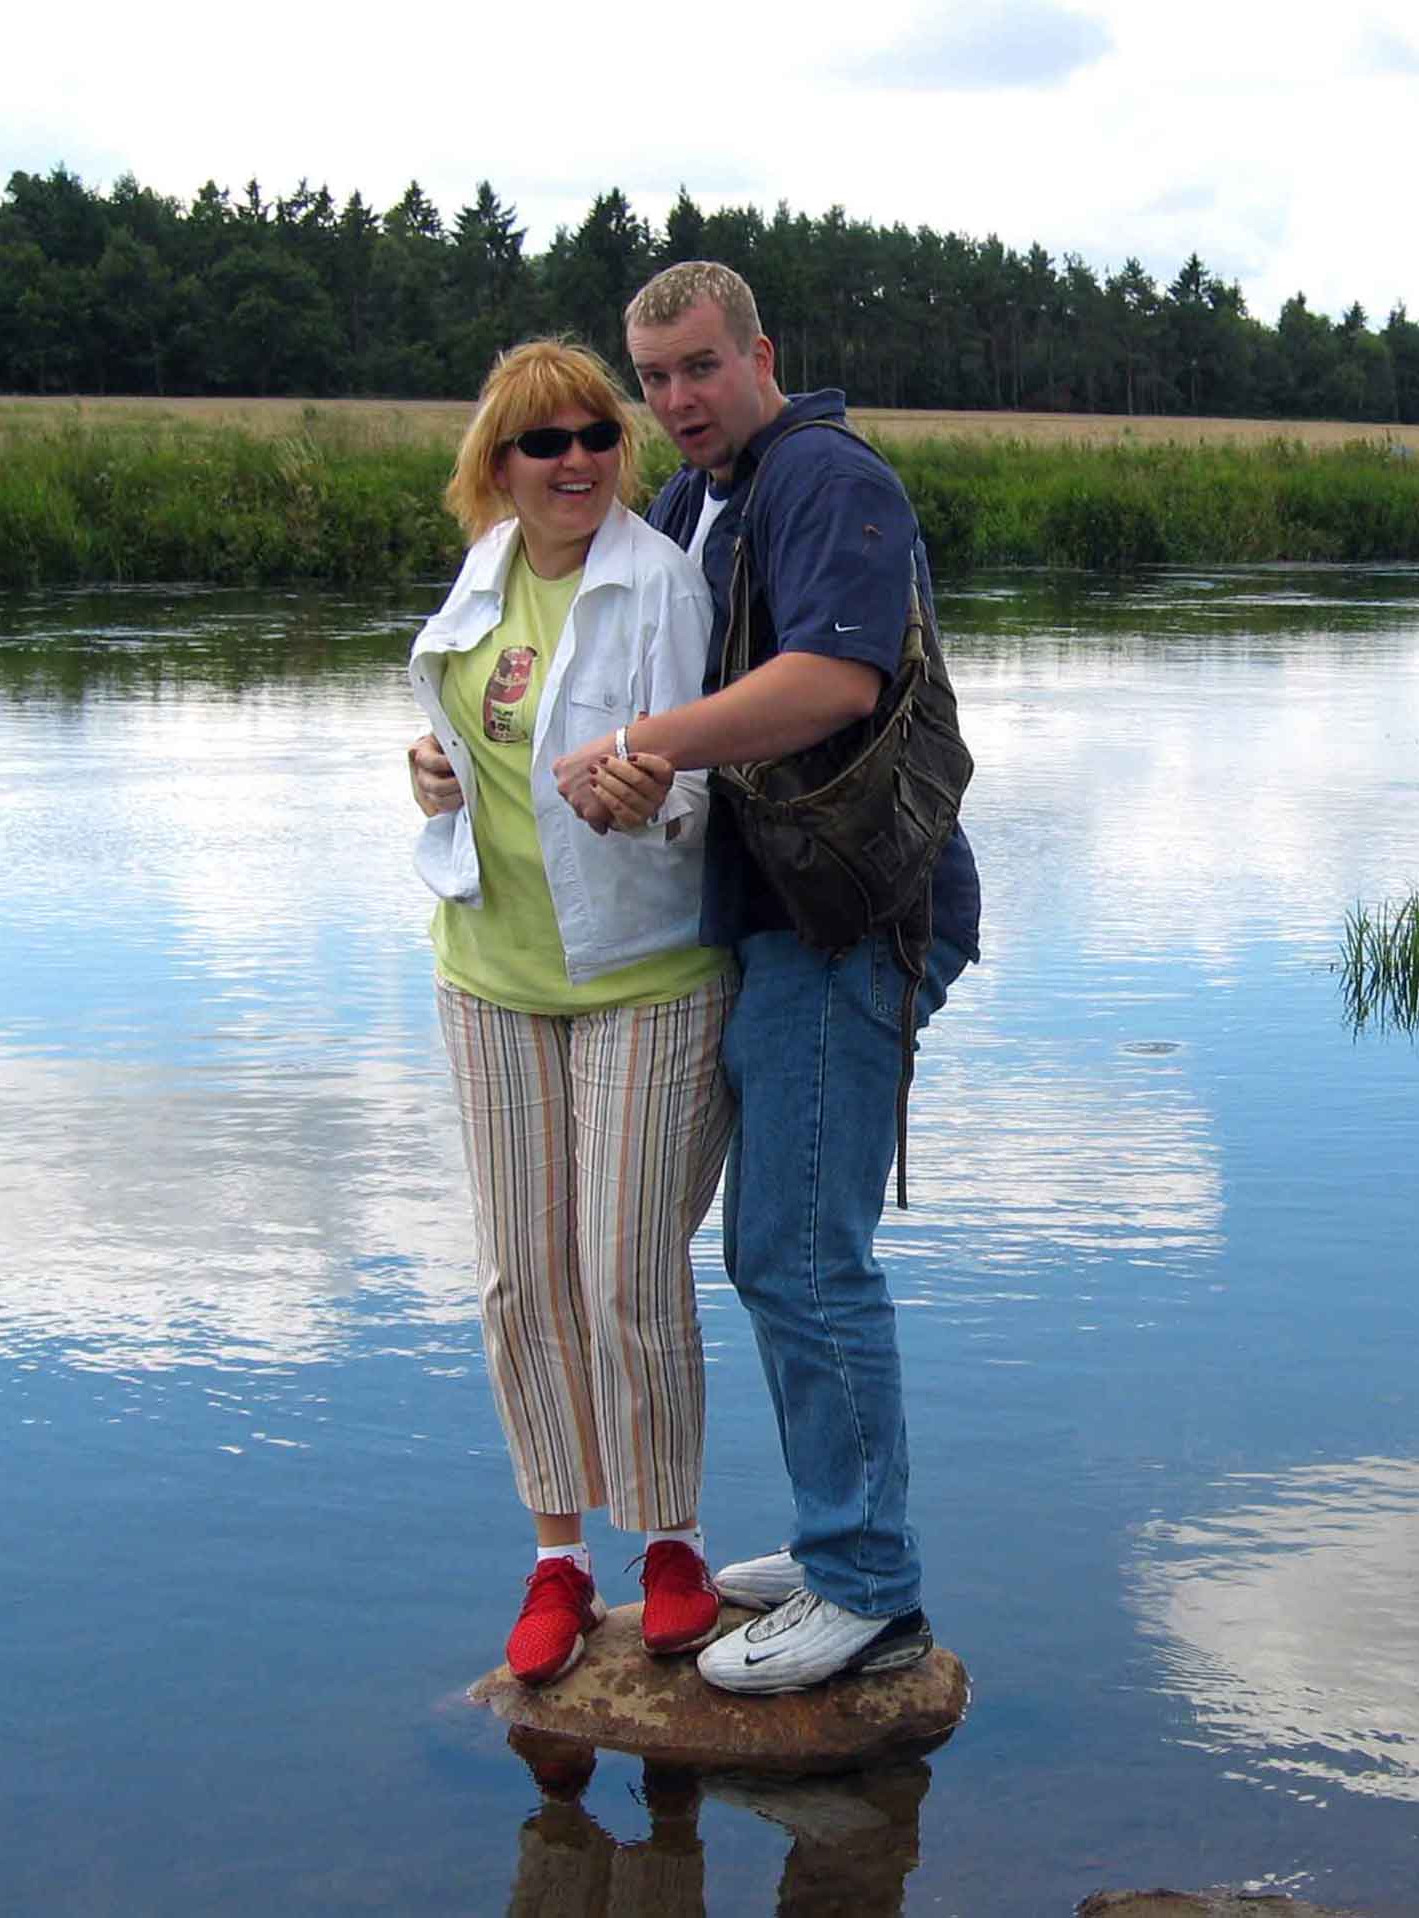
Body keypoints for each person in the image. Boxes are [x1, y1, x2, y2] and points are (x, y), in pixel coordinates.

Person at [552, 261, 981, 1694]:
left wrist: (648, 745)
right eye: (653, 377)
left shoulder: (824, 477)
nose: (676, 398)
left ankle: (870, 1590)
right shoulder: (698, 499)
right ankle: (837, 1538)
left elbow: (834, 681)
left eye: (699, 367)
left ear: (759, 355)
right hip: (775, 919)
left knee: (800, 1251)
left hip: (853, 922)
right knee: (774, 1249)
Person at [403, 338, 736, 1686]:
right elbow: (466, 734)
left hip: (642, 974)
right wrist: (429, 768)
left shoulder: (659, 583)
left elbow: (701, 782)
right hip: (489, 973)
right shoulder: (482, 574)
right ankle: (558, 1557)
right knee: (518, 1275)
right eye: (546, 442)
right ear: (499, 465)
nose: (579, 460)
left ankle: (672, 1546)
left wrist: (652, 798)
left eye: (599, 434)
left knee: (626, 1268)